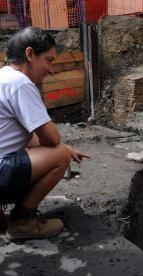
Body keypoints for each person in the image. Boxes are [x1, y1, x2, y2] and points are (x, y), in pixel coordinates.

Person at [0, 27, 89, 241]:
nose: (50, 70)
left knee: (57, 150)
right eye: (48, 60)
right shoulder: (20, 84)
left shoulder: (3, 77)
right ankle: (22, 222)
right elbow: (52, 139)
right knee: (59, 155)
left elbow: (20, 137)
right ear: (29, 54)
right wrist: (64, 150)